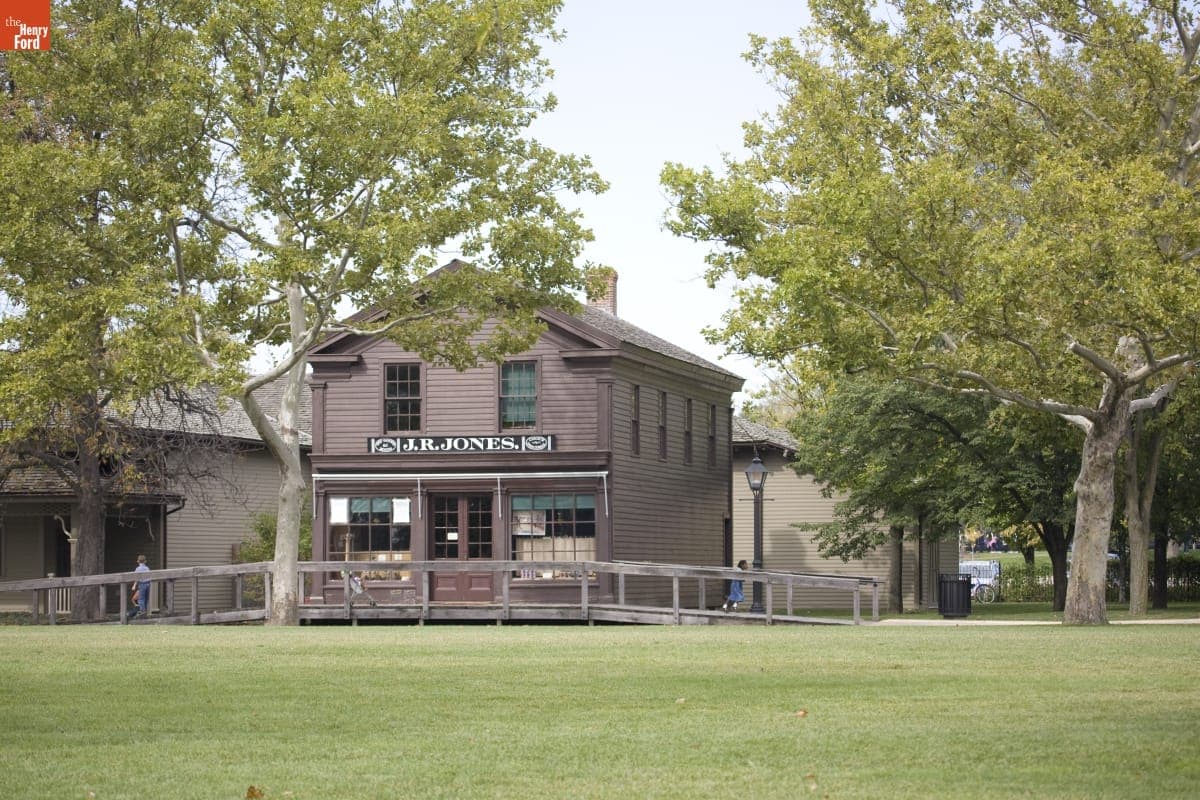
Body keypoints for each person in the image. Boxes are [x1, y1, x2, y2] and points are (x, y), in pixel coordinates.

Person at [128, 554, 151, 619]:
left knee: (141, 599)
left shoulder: (138, 569)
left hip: (142, 584)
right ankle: (144, 610)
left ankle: (142, 611)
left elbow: (136, 578)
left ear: (138, 561)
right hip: (148, 584)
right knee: (146, 598)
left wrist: (134, 585)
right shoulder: (147, 568)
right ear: (145, 561)